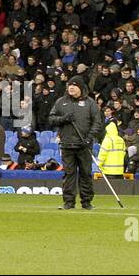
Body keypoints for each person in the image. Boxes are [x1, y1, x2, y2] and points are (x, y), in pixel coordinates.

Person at [48, 76, 103, 210]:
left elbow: (97, 122)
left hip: (84, 145)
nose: (71, 88)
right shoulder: (61, 102)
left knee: (85, 174)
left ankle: (86, 202)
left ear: (80, 87)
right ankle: (68, 202)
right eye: (69, 85)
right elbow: (51, 118)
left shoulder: (90, 103)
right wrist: (63, 119)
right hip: (67, 144)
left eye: (74, 85)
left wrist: (89, 137)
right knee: (68, 174)